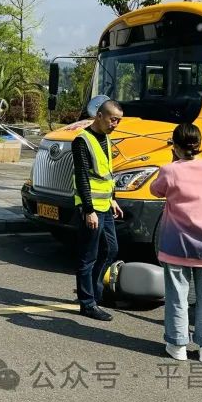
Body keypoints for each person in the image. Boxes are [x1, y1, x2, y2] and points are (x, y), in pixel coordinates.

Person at [149, 122, 202, 364]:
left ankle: (177, 344)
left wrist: (173, 161)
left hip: (175, 243)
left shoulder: (169, 170)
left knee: (177, 296)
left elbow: (155, 190)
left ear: (175, 145)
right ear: (200, 145)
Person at [72, 96, 124, 321]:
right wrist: (88, 209)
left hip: (105, 205)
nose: (115, 124)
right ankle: (87, 302)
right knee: (88, 256)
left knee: (110, 249)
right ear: (99, 116)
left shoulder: (105, 138)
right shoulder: (82, 140)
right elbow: (82, 177)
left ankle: (93, 291)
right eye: (113, 120)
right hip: (90, 208)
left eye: (118, 121)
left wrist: (112, 198)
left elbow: (105, 174)